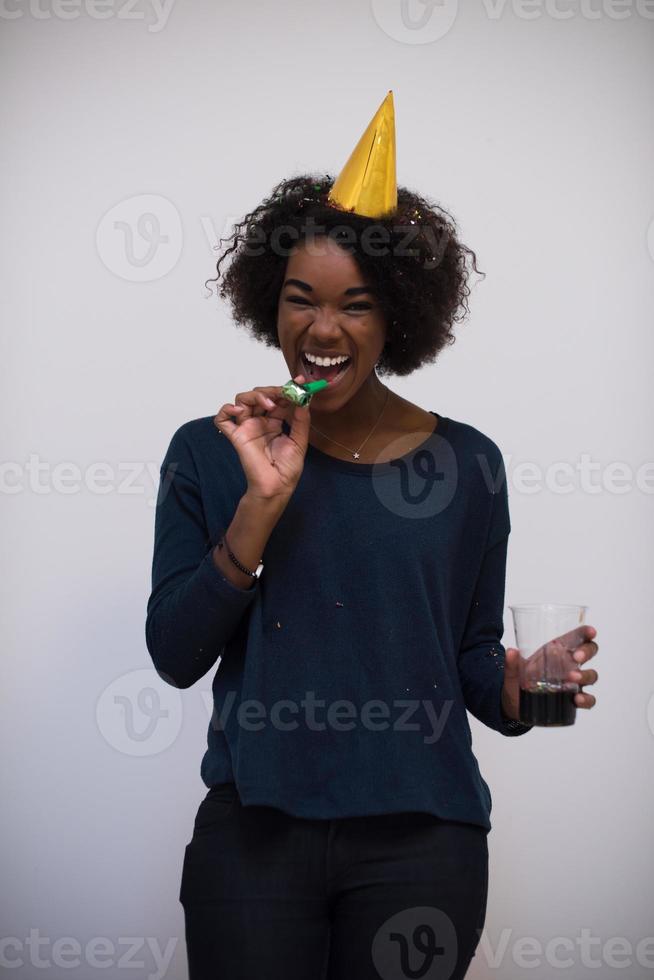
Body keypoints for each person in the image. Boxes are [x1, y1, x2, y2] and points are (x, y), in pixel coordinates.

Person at [145, 93, 599, 980]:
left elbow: (465, 656)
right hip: (254, 837)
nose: (321, 330)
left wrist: (511, 688)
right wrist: (259, 506)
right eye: (299, 301)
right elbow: (173, 652)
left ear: (398, 316)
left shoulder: (468, 466)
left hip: (423, 843)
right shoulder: (210, 450)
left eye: (354, 305)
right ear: (265, 305)